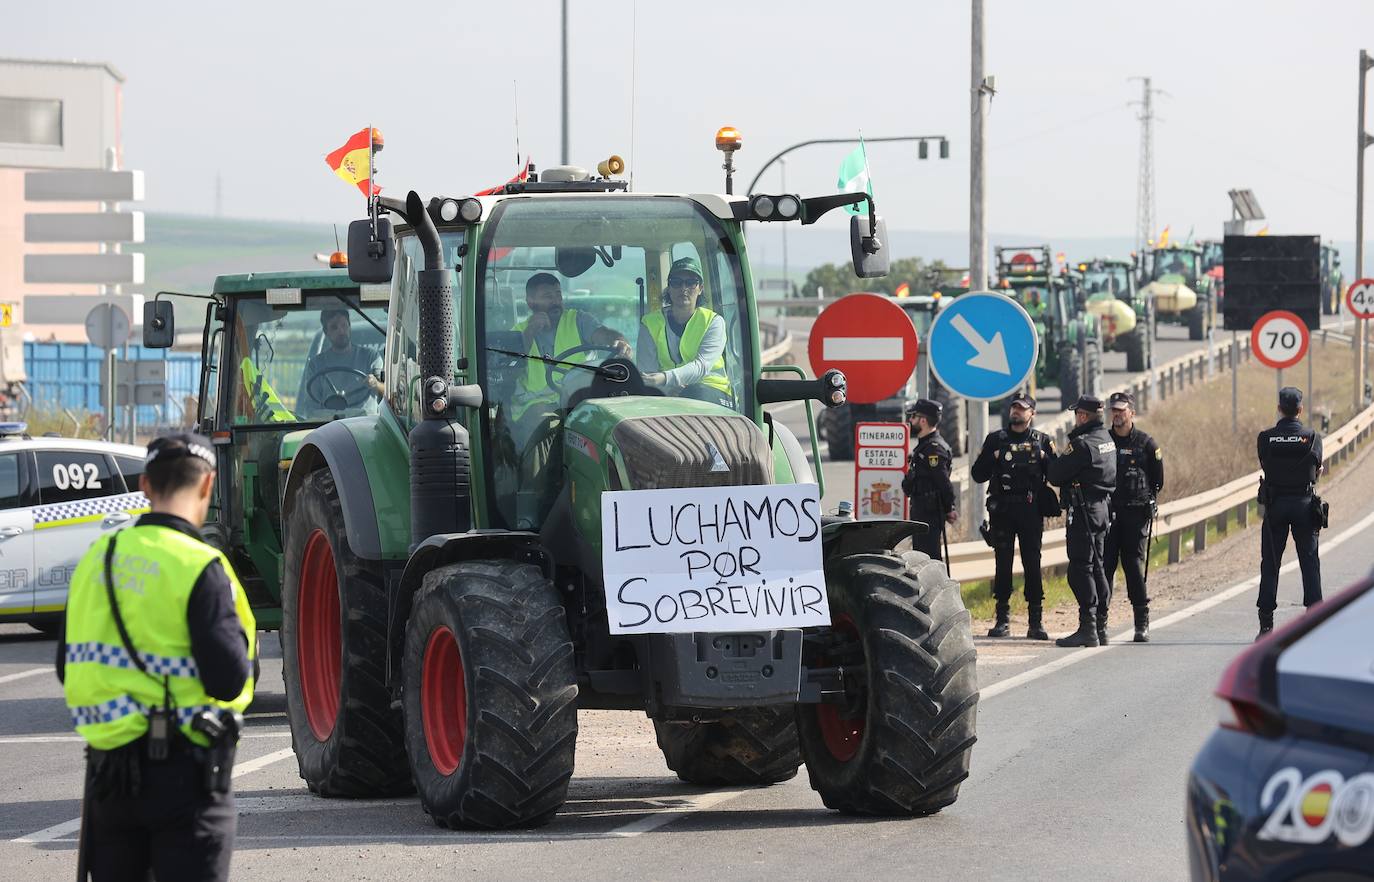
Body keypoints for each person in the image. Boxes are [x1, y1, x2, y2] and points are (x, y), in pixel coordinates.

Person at [57, 433, 256, 881]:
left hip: (109, 779)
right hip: (186, 778)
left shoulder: (97, 560)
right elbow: (226, 678)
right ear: (208, 485)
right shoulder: (200, 566)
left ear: (145, 484)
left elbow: (63, 664)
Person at [971, 393, 1057, 640]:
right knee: (1003, 563)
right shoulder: (996, 440)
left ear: (1032, 413)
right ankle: (1002, 620)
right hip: (1003, 509)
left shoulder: (1042, 441)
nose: (1017, 412)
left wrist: (1043, 457)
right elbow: (977, 474)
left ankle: (1036, 621)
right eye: (1014, 408)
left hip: (1030, 509)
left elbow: (1057, 474)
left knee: (1032, 563)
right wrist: (994, 457)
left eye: (1022, 409)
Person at [512, 271, 633, 429]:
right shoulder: (519, 333)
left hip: (580, 398)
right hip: (536, 404)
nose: (556, 301)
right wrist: (530, 332)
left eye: (558, 294)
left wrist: (619, 341)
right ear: (530, 302)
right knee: (543, 421)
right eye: (548, 296)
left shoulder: (579, 320)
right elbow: (510, 367)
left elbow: (604, 334)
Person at [1049, 395, 1118, 648]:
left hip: (1084, 511)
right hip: (1102, 508)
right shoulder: (1107, 439)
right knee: (1098, 565)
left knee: (1081, 568)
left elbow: (1056, 474)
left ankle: (1088, 627)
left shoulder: (1082, 445)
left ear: (1082, 416)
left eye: (1076, 414)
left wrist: (1050, 458)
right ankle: (1101, 625)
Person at [1256, 386, 1324, 640]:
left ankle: (1266, 626)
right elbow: (1317, 469)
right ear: (1301, 409)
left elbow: (1265, 463)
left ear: (1279, 408)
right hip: (1304, 505)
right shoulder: (1312, 437)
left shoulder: (1266, 437)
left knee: (1270, 565)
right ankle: (1315, 619)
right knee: (1310, 562)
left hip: (1275, 506)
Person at [1103, 391, 1164, 643]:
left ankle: (1141, 622)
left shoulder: (1146, 444)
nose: (1117, 415)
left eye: (1121, 410)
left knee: (1133, 568)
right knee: (1104, 568)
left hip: (1135, 515)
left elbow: (1157, 481)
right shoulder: (1103, 442)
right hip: (1107, 514)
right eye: (1113, 410)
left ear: (1132, 413)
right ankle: (1100, 622)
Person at [637, 256, 734, 408]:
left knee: (696, 393)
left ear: (700, 288)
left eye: (690, 283)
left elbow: (702, 366)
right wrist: (667, 390)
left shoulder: (714, 322)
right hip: (669, 392)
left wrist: (665, 378)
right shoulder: (649, 323)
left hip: (712, 391)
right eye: (676, 283)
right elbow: (647, 375)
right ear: (668, 288)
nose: (683, 289)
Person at [297, 307, 383, 414]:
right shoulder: (316, 365)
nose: (341, 331)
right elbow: (311, 407)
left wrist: (375, 384)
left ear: (349, 326)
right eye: (334, 327)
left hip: (365, 425)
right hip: (329, 426)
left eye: (344, 325)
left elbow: (388, 392)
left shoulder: (371, 357)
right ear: (326, 331)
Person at [901, 398, 957, 560]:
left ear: (923, 421)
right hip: (922, 510)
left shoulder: (934, 449)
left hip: (929, 512)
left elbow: (943, 483)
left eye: (913, 417)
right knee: (921, 556)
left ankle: (935, 586)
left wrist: (949, 508)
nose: (911, 421)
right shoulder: (923, 446)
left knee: (929, 558)